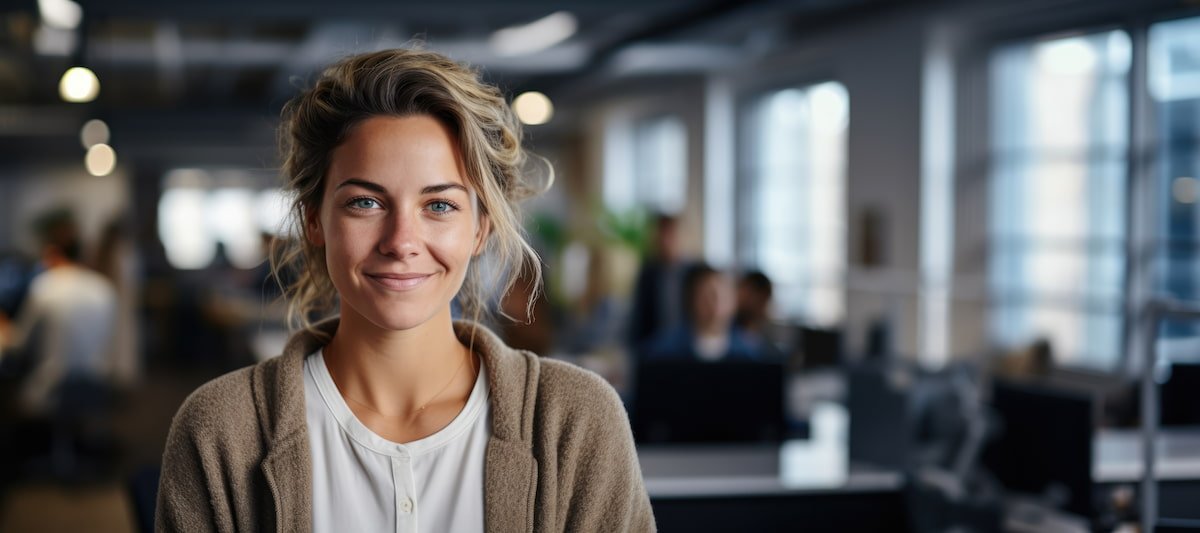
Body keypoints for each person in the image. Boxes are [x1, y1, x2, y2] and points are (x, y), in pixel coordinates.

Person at [156, 48, 654, 532]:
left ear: (480, 229)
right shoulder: (221, 430)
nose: (401, 243)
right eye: (366, 203)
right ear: (314, 220)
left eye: (439, 206)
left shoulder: (576, 421)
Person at [0, 208, 117, 415]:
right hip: (98, 386)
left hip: (52, 389)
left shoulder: (44, 286)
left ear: (52, 253)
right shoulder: (103, 288)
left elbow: (20, 343)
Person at [644, 264, 761, 362]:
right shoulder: (662, 352)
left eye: (724, 296)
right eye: (707, 296)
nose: (715, 305)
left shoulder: (749, 356)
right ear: (691, 300)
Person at [627, 214, 689, 353]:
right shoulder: (648, 273)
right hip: (654, 348)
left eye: (671, 236)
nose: (666, 242)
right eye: (662, 235)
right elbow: (639, 316)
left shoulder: (691, 273)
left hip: (685, 348)